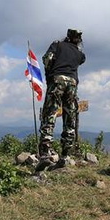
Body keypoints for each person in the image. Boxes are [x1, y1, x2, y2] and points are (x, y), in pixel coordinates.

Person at [38, 29, 86, 167]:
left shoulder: (57, 45)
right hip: (72, 83)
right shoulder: (79, 53)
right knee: (69, 116)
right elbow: (81, 59)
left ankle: (46, 153)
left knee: (50, 113)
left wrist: (49, 73)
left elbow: (47, 58)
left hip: (57, 79)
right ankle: (65, 155)